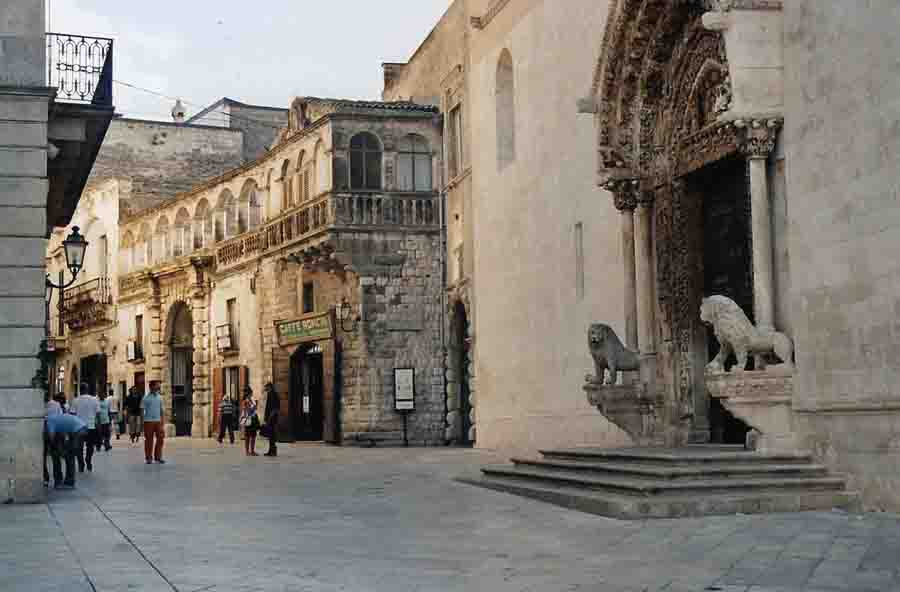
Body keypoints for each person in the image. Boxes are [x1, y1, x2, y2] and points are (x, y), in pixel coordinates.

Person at [46, 413, 88, 489]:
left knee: (70, 456)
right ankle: (68, 481)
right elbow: (63, 432)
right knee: (68, 455)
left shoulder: (49, 422)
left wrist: (54, 449)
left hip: (78, 430)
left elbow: (51, 436)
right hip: (81, 427)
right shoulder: (54, 419)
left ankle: (69, 482)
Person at [72, 383, 99, 472]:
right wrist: (98, 425)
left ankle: (81, 463)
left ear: (80, 390)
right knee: (90, 446)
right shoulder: (94, 400)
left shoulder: (75, 400)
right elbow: (98, 414)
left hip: (79, 427)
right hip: (91, 426)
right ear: (87, 389)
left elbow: (72, 414)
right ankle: (88, 459)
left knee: (78, 447)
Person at [142, 380, 165, 464]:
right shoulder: (146, 398)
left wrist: (162, 422)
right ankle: (148, 457)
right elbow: (142, 410)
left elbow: (162, 411)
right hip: (148, 421)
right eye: (156, 385)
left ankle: (158, 457)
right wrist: (142, 422)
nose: (158, 387)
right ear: (151, 387)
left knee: (160, 438)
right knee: (149, 440)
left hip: (158, 421)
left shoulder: (160, 397)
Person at [240, 387, 260, 456]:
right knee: (248, 436)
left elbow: (254, 408)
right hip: (248, 419)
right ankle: (247, 451)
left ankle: (252, 451)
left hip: (253, 418)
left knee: (253, 435)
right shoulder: (245, 400)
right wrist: (253, 407)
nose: (251, 393)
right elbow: (247, 410)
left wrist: (255, 406)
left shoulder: (252, 399)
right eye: (250, 392)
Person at [263, 382, 279, 457]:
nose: (265, 388)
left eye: (266, 387)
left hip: (271, 418)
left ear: (269, 387)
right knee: (271, 435)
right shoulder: (272, 394)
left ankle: (272, 451)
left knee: (271, 435)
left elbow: (274, 408)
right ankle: (271, 450)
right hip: (271, 418)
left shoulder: (272, 394)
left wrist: (269, 418)